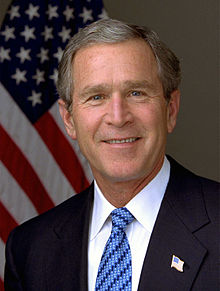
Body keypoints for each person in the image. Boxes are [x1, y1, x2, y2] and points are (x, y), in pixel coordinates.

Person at [4, 19, 219, 291]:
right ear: (69, 119)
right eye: (96, 97)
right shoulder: (30, 249)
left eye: (136, 93)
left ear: (170, 110)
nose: (118, 118)